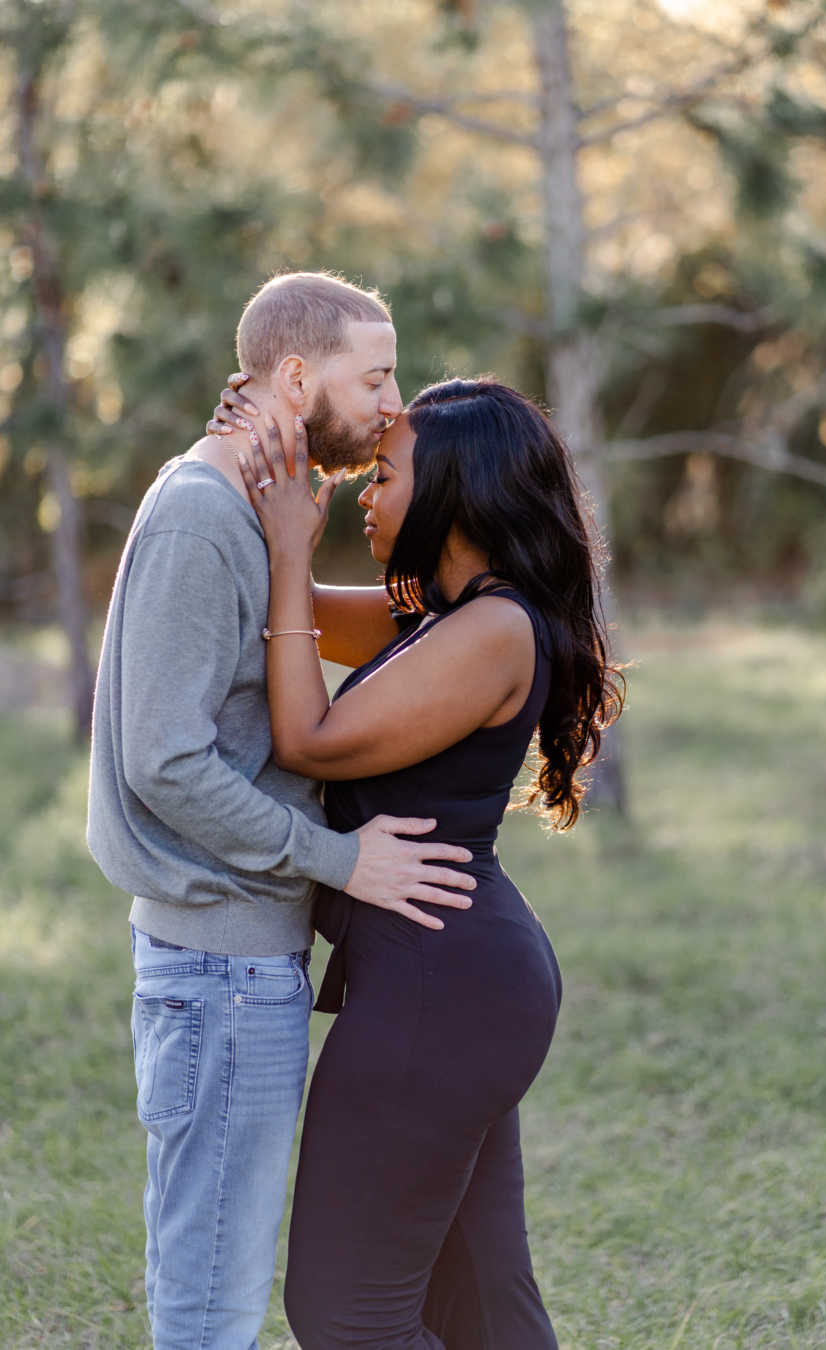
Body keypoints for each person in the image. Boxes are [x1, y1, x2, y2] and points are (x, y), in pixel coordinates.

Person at [86, 272, 477, 1350]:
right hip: (216, 967)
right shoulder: (202, 519)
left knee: (217, 1284)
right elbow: (163, 760)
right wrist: (337, 860)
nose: (393, 404)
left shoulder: (248, 514)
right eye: (377, 375)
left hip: (238, 964)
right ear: (297, 377)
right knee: (211, 1304)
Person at [231, 376, 624, 1349]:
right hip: (457, 984)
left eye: (385, 473)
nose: (364, 492)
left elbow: (309, 739)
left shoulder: (492, 628)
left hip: (443, 994)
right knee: (483, 1302)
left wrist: (289, 544)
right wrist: (246, 489)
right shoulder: (441, 608)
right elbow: (295, 614)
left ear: (454, 489)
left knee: (348, 1312)